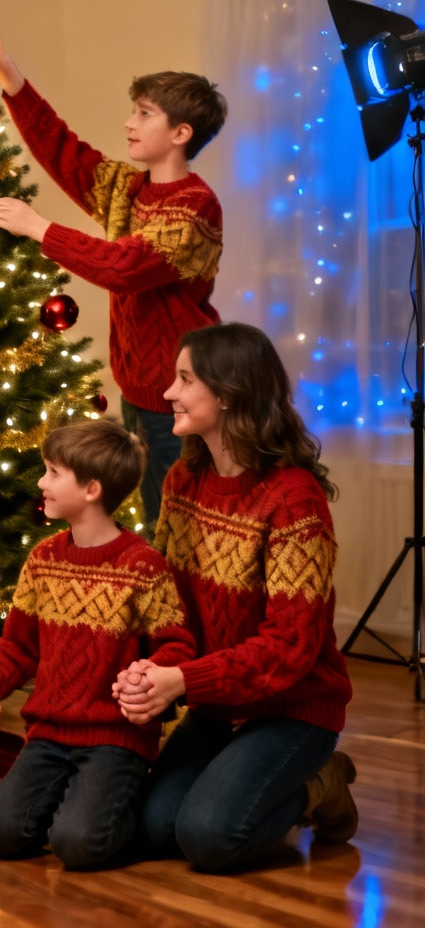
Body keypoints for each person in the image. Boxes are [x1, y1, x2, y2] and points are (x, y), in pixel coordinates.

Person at [0, 19, 227, 531]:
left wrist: (39, 229)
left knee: (180, 529)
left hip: (182, 401)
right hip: (139, 396)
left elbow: (125, 267)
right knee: (153, 521)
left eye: (144, 113)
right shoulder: (127, 188)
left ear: (180, 133)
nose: (129, 122)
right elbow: (62, 149)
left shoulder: (195, 205)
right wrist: (2, 63)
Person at [113, 322, 356, 873]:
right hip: (218, 704)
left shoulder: (294, 500)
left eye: (184, 379)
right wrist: (154, 668)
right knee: (156, 828)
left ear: (227, 394)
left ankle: (323, 781)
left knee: (211, 837)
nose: (169, 393)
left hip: (293, 709)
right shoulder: (182, 479)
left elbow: (291, 647)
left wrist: (184, 680)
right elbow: (168, 605)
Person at [0, 419, 195, 871]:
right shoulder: (44, 559)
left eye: (52, 472)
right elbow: (16, 646)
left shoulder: (143, 566)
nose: (41, 482)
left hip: (116, 740)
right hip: (47, 735)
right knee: (3, 831)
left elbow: (176, 648)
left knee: (79, 845)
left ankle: (122, 804)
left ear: (91, 489)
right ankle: (80, 806)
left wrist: (148, 675)